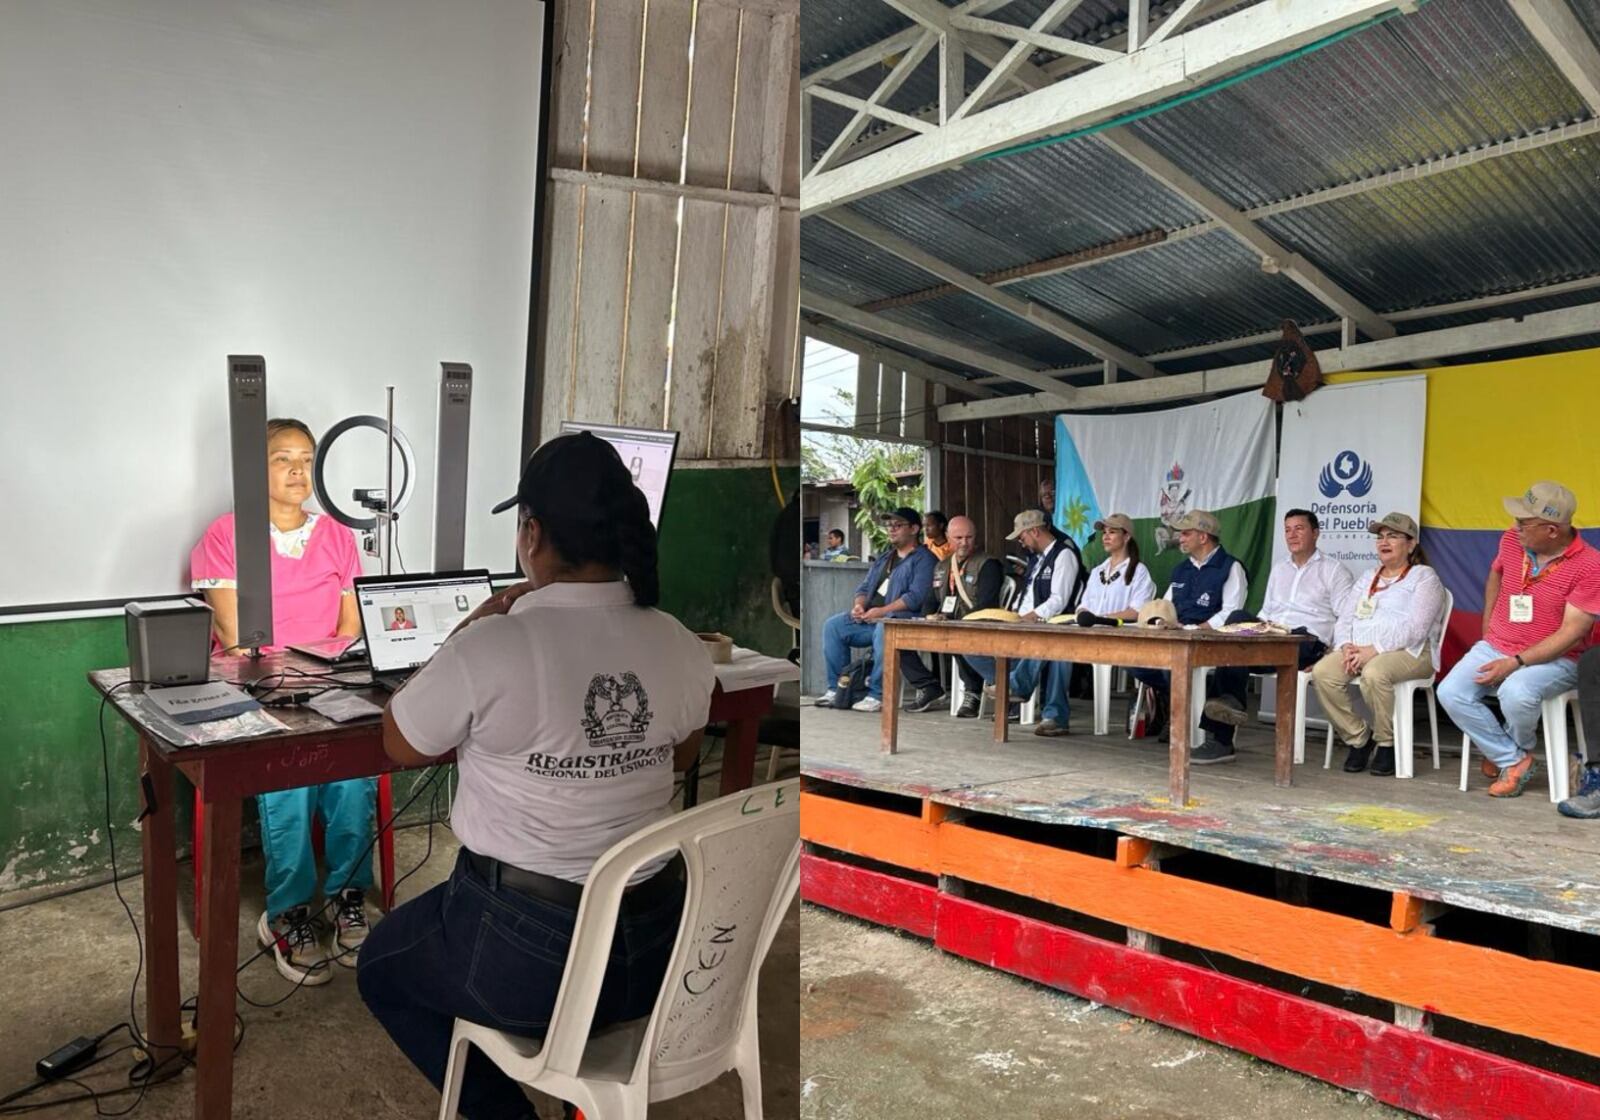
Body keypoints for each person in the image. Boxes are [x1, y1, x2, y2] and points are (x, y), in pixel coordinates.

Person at [357, 432, 713, 1120]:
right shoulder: (678, 641)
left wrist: (467, 635)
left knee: (382, 969)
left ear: (532, 534)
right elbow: (683, 756)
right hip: (657, 951)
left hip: (526, 957)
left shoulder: (497, 643)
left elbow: (399, 741)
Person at [189, 417, 372, 985]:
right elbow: (236, 633)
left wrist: (328, 679)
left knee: (354, 776)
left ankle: (347, 895)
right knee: (291, 782)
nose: (298, 469)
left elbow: (349, 627)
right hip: (260, 689)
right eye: (281, 458)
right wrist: (290, 683)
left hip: (332, 686)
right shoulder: (225, 536)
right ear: (253, 469)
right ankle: (286, 913)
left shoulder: (339, 535)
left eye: (307, 458)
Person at [1438, 482, 1600, 798]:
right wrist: (1488, 630)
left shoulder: (1591, 565)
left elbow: (1572, 633)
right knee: (1451, 691)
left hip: (1559, 659)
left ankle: (1507, 751)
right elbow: (1496, 573)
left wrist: (1515, 662)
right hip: (1498, 642)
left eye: (1524, 522)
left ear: (1552, 530)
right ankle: (1514, 758)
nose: (1516, 526)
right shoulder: (1512, 539)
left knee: (1516, 691)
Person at [1310, 513, 1445, 775]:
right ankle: (1359, 738)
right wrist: (1346, 645)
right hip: (1361, 650)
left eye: (1393, 536)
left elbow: (1415, 629)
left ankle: (1387, 743)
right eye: (1380, 537)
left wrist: (1374, 650)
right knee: (1323, 673)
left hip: (1412, 651)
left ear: (1411, 543)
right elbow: (1346, 617)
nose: (1384, 542)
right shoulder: (1369, 577)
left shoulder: (1424, 577)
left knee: (1375, 673)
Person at [1202, 509, 1356, 734]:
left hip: (1305, 641)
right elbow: (1266, 611)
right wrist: (1247, 629)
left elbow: (1346, 616)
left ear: (1316, 533)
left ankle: (1218, 739)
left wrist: (1334, 653)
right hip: (1272, 635)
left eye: (1299, 529)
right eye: (1287, 530)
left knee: (1234, 653)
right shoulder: (1279, 568)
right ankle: (1227, 707)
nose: (1292, 535)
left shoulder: (1334, 571)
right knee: (1236, 622)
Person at [1130, 509, 1249, 763]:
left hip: (1211, 642)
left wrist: (1195, 629)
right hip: (1177, 638)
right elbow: (1166, 607)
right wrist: (1161, 622)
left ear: (1203, 537)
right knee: (1136, 662)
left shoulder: (1231, 567)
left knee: (1171, 668)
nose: (1179, 539)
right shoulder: (1180, 570)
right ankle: (1177, 708)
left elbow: (1231, 614)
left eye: (1185, 533)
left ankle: (1196, 724)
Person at [962, 510, 1080, 736]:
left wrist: (1027, 618)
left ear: (1035, 531)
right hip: (1021, 624)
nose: (1021, 542)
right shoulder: (1036, 559)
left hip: (1049, 625)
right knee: (970, 644)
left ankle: (1019, 690)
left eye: (1022, 537)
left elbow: (1058, 599)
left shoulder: (1063, 555)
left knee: (1052, 648)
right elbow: (1024, 595)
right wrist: (1012, 614)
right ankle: (1010, 683)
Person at [817, 507, 937, 713]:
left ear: (915, 529)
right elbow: (863, 588)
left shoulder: (924, 558)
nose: (891, 530)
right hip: (870, 618)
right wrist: (859, 605)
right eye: (889, 526)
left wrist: (881, 612)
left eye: (898, 526)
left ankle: (877, 694)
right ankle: (838, 689)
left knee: (885, 629)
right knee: (834, 626)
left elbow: (915, 597)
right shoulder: (885, 557)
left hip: (903, 619)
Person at [928, 516, 1006, 718]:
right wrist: (930, 616)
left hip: (981, 624)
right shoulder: (942, 566)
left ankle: (976, 691)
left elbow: (987, 603)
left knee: (959, 636)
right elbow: (932, 600)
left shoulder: (988, 564)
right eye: (959, 538)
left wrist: (959, 621)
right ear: (948, 538)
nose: (964, 543)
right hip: (950, 625)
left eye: (969, 537)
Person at [1075, 514, 1157, 622]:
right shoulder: (1097, 571)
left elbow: (1138, 611)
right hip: (1090, 632)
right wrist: (1083, 615)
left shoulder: (1139, 571)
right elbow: (1084, 605)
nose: (1105, 537)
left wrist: (1102, 619)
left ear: (1126, 537)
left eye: (1112, 532)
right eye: (1104, 532)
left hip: (1120, 634)